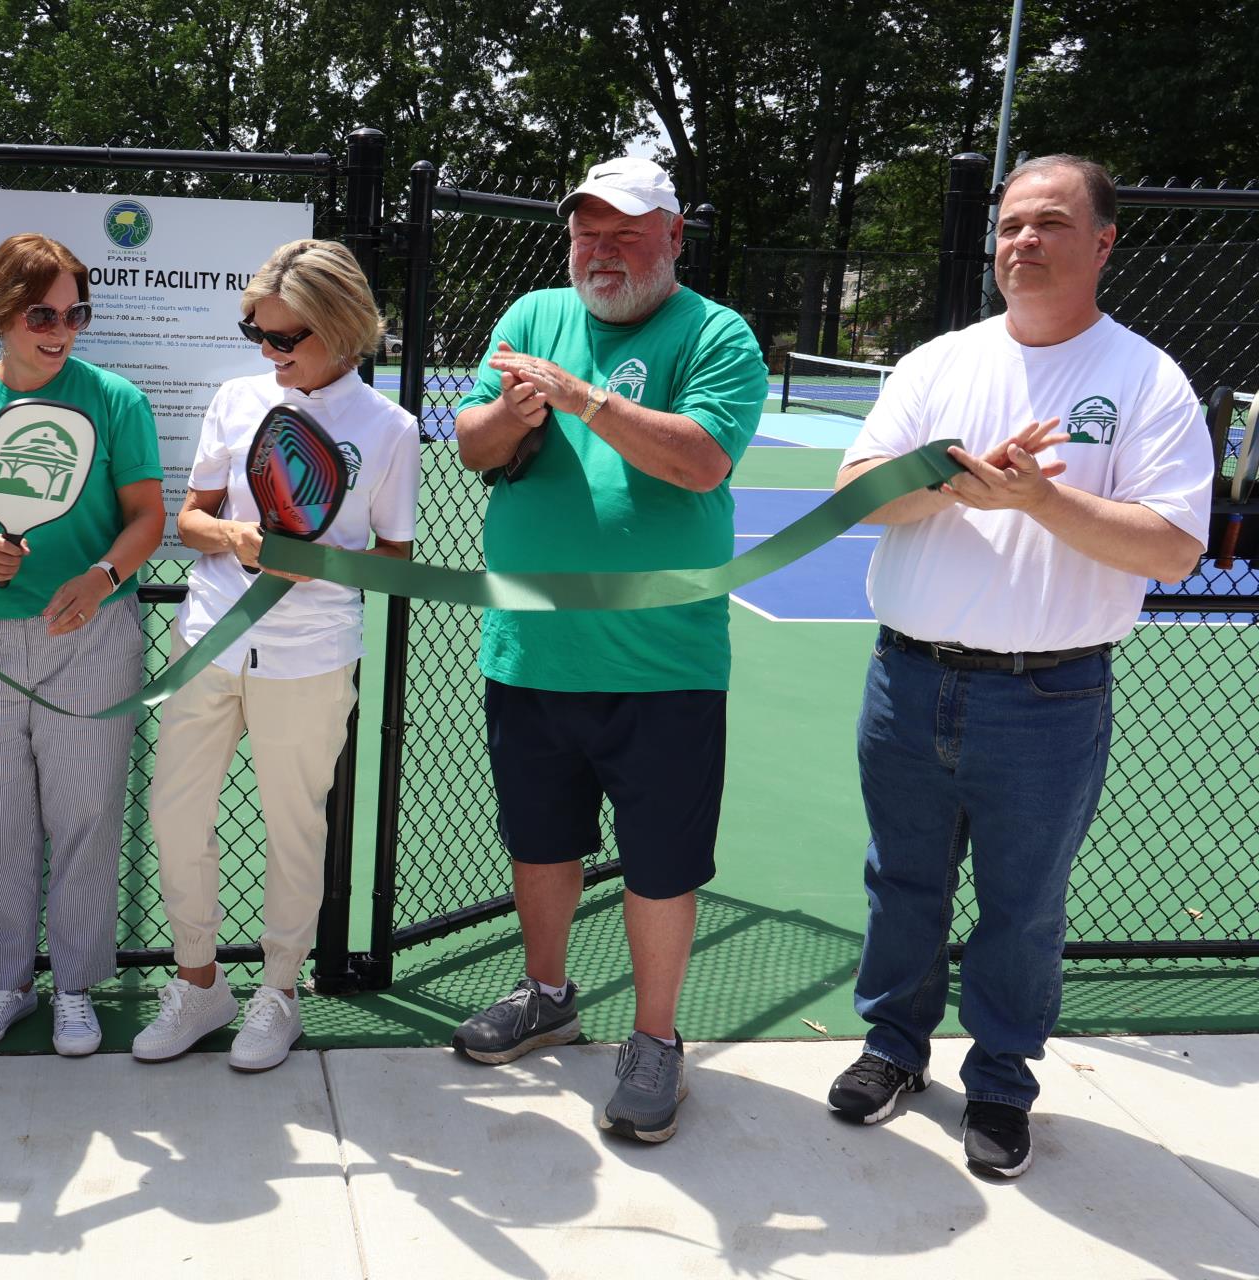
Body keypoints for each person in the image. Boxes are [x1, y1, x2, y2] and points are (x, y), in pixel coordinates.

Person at [825, 155, 1211, 1177]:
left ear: (1103, 243)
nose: (1023, 241)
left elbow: (1172, 545)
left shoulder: (1146, 380)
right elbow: (859, 488)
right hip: (907, 679)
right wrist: (953, 481)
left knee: (1024, 901)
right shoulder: (938, 362)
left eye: (1048, 222)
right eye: (1009, 225)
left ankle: (999, 1080)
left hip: (1050, 694)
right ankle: (892, 1047)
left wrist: (1038, 498)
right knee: (900, 878)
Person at [449, 157, 766, 1142]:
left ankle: (655, 1041)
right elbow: (470, 441)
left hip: (661, 664)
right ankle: (548, 992)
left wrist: (582, 400)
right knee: (541, 841)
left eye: (628, 232)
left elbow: (702, 458)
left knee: (660, 861)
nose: (604, 250)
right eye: (589, 232)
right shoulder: (533, 314)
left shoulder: (716, 334)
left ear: (674, 236)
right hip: (531, 652)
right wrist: (512, 414)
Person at [135, 239, 421, 1072]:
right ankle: (199, 985)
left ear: (340, 328)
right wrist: (235, 537)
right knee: (174, 815)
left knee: (296, 831)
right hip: (209, 642)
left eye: (285, 337)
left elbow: (396, 562)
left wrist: (319, 562)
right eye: (256, 332)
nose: (268, 352)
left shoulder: (390, 428)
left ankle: (280, 994)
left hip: (312, 659)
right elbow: (189, 521)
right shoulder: (235, 397)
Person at [0, 233, 165, 1057]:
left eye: (76, 312)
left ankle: (77, 987)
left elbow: (147, 517)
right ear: (0, 311)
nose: (61, 329)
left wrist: (100, 578)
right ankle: (10, 982)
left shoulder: (116, 399)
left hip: (91, 636)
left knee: (87, 812)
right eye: (42, 312)